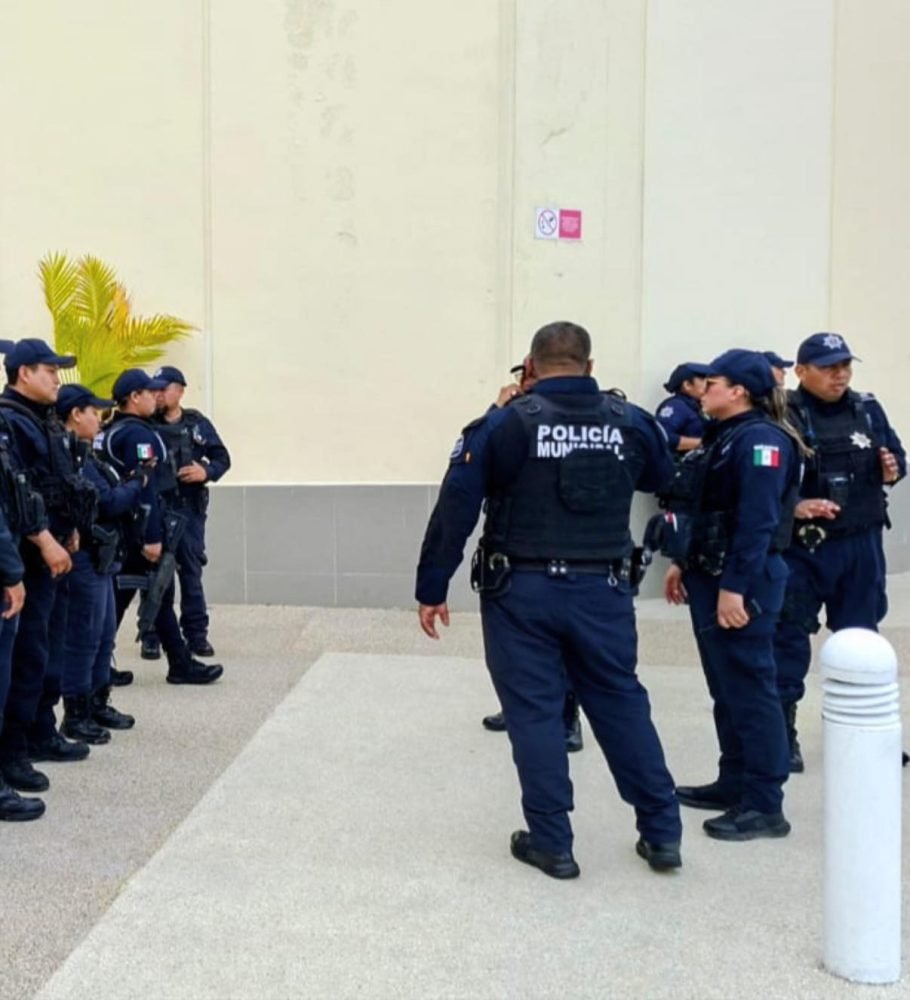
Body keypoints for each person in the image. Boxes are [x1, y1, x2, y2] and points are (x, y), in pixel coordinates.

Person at [416, 321, 682, 879]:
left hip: (522, 592)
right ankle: (662, 833)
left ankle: (552, 842)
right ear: (589, 366)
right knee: (621, 702)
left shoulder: (506, 424)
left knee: (534, 712)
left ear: (530, 368)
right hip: (604, 591)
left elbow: (456, 507)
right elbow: (664, 477)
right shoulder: (630, 421)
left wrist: (432, 588)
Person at [661, 350, 803, 841]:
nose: (704, 388)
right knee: (727, 688)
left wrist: (734, 590)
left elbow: (758, 523)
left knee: (751, 688)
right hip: (711, 575)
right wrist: (682, 562)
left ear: (738, 389)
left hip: (744, 582)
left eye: (712, 382)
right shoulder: (723, 438)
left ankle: (766, 804)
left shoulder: (762, 441)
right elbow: (706, 509)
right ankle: (735, 781)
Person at [774, 333, 905, 772]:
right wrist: (794, 506)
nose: (841, 374)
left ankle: (864, 730)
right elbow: (759, 484)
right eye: (829, 367)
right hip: (804, 550)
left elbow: (898, 458)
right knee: (788, 643)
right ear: (802, 370)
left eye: (845, 365)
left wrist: (892, 470)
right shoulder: (782, 415)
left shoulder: (867, 408)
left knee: (862, 641)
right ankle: (783, 734)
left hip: (860, 544)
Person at [480, 358, 583, 753]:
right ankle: (519, 709)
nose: (525, 381)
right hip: (517, 548)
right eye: (521, 375)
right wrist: (497, 412)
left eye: (529, 373)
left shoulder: (577, 417)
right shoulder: (513, 419)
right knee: (518, 651)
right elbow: (479, 463)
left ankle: (567, 720)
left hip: (566, 549)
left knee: (564, 648)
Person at [0, 339, 88, 797]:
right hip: (30, 553)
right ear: (23, 373)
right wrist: (46, 539)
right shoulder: (10, 421)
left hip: (52, 549)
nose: (57, 378)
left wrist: (68, 527)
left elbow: (57, 484)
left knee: (49, 649)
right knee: (26, 656)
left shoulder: (43, 420)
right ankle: (13, 750)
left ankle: (40, 728)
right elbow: (17, 493)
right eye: (49, 370)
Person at [97, 369, 223, 686]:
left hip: (129, 526)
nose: (157, 396)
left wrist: (206, 471)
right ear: (134, 397)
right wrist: (152, 537)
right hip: (139, 529)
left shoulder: (112, 430)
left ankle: (179, 660)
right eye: (150, 392)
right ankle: (101, 665)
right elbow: (146, 489)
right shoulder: (139, 434)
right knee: (136, 593)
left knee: (155, 592)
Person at [55, 385, 143, 744]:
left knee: (104, 633)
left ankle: (97, 701)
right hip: (85, 556)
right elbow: (106, 502)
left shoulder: (88, 456)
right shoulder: (70, 457)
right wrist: (138, 484)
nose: (100, 418)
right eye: (94, 411)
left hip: (103, 558)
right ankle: (76, 714)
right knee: (84, 636)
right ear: (76, 414)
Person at [138, 366, 231, 661]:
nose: (159, 393)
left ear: (180, 390)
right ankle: (151, 635)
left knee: (190, 572)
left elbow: (222, 458)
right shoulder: (144, 425)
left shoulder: (196, 424)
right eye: (156, 389)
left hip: (188, 509)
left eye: (165, 388)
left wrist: (205, 471)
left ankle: (196, 634)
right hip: (157, 508)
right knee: (154, 573)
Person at [654, 362, 711, 454]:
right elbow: (662, 436)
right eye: (703, 379)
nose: (708, 384)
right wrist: (703, 443)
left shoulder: (698, 406)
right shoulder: (676, 406)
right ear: (687, 385)